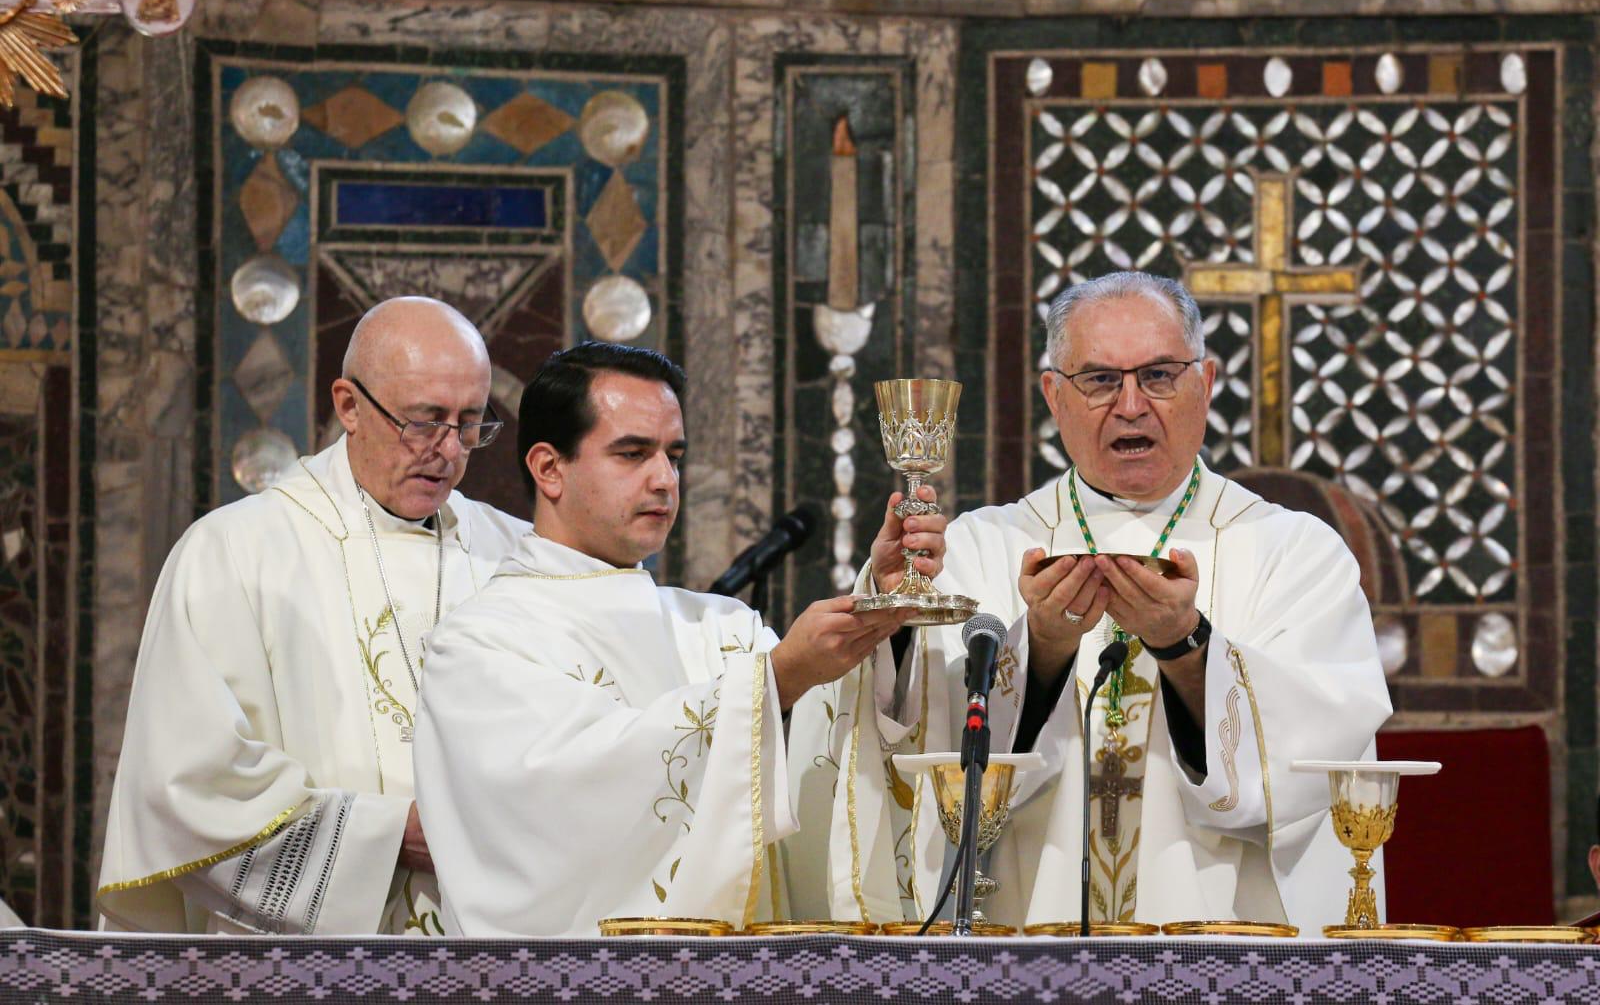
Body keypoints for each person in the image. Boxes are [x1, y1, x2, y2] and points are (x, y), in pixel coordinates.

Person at [788, 270, 1393, 929]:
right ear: (1054, 394)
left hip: (1224, 947)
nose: (1131, 405)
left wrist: (1186, 648)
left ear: (1206, 382)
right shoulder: (982, 547)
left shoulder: (1296, 554)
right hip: (1026, 939)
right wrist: (1031, 647)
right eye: (1101, 380)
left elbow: (1314, 759)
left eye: (1159, 375)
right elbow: (907, 740)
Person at [412, 341, 937, 936]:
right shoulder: (481, 642)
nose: (664, 480)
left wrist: (883, 620)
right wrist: (777, 678)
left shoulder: (722, 626)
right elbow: (564, 802)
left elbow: (824, 753)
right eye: (633, 454)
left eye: (674, 456)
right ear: (549, 468)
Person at [97, 297, 531, 935]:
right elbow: (189, 784)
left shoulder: (518, 558)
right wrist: (387, 837)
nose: (448, 450)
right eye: (423, 421)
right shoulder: (234, 553)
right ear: (349, 406)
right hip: (297, 966)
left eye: (469, 424)